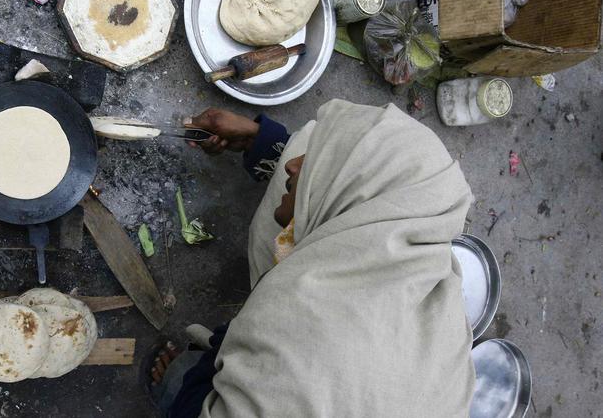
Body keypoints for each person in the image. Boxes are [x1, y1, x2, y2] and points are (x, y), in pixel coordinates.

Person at [148, 99, 476, 417]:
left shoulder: (301, 335)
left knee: (181, 382)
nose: (292, 163)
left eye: (315, 161)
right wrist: (258, 140)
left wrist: (214, 362)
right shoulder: (413, 250)